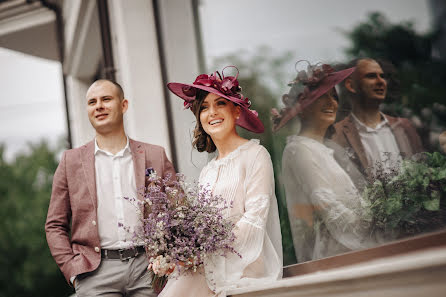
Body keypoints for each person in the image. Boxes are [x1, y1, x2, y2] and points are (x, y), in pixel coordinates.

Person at [45, 79, 176, 297]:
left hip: (150, 269)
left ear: (123, 105)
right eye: (92, 102)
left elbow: (178, 210)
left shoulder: (155, 155)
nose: (99, 106)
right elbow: (54, 225)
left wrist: (171, 256)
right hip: (94, 273)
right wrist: (72, 271)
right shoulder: (71, 161)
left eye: (106, 99)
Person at [160, 66, 283, 296]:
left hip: (245, 266)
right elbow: (202, 228)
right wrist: (181, 253)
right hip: (209, 265)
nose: (212, 112)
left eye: (220, 104)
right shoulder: (208, 170)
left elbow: (255, 218)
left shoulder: (256, 155)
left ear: (237, 111)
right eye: (204, 107)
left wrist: (207, 255)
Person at [272, 62, 379, 262]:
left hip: (354, 252)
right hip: (339, 257)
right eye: (322, 96)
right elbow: (329, 208)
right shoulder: (299, 150)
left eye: (334, 96)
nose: (331, 103)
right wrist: (374, 226)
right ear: (302, 109)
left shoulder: (328, 149)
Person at [332, 58, 424, 178]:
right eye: (371, 76)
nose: (381, 81)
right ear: (350, 85)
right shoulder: (336, 134)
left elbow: (424, 172)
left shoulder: (405, 127)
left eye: (382, 76)